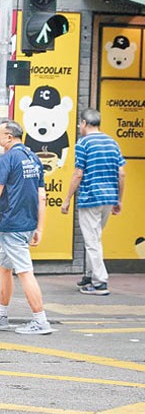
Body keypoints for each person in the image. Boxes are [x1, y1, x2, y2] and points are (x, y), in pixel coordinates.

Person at [0, 120, 55, 335]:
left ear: (9, 137)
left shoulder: (8, 159)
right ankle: (1, 316)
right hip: (28, 224)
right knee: (4, 267)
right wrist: (39, 228)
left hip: (13, 225)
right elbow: (42, 196)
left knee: (24, 271)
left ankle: (40, 321)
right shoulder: (34, 158)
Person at [61, 108, 126, 296]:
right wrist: (119, 200)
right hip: (109, 198)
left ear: (83, 123)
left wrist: (67, 199)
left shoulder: (83, 143)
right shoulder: (112, 143)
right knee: (95, 238)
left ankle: (100, 282)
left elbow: (78, 173)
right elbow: (121, 173)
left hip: (90, 197)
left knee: (92, 241)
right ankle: (89, 275)